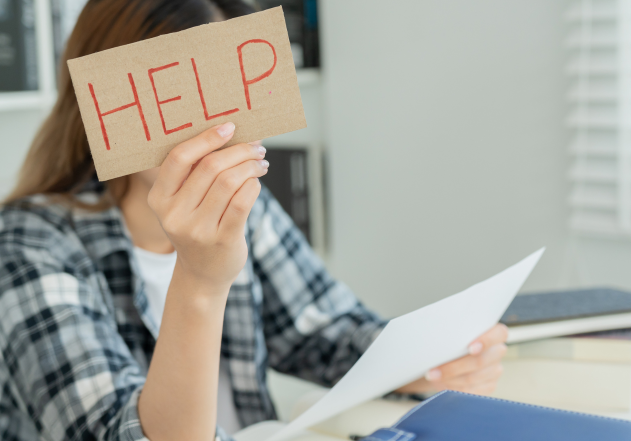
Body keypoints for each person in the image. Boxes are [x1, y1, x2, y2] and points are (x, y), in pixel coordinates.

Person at [0, 1, 508, 440]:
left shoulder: (248, 207)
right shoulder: (28, 245)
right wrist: (201, 276)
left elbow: (324, 332)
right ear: (110, 107)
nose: (205, 128)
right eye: (177, 96)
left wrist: (430, 359)